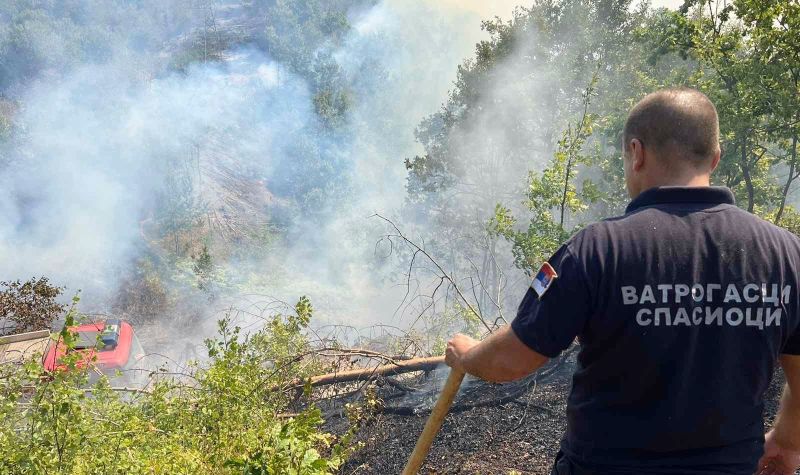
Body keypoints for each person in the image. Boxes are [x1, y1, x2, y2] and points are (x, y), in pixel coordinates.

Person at [444, 88, 800, 475]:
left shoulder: (594, 250)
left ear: (636, 152)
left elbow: (510, 361)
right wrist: (785, 441)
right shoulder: (787, 254)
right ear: (715, 157)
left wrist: (467, 355)